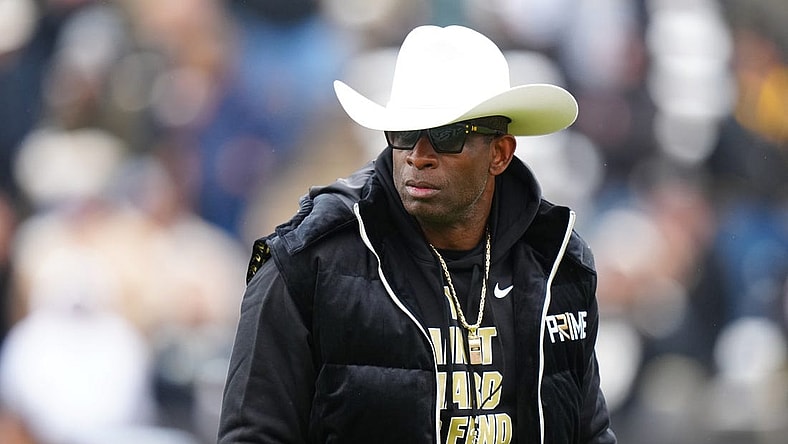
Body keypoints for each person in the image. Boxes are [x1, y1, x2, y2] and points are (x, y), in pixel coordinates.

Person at [218, 25, 616, 444]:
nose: (418, 156)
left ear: (499, 153)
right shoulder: (308, 261)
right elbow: (254, 435)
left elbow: (589, 432)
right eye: (404, 133)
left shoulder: (556, 262)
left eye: (446, 136)